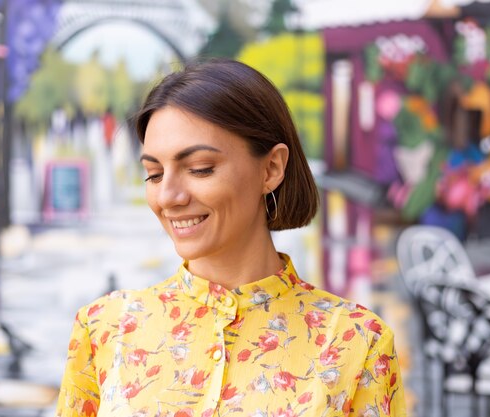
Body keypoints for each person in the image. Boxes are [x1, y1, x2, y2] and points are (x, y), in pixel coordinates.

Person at [56, 59, 407, 417]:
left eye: (200, 169)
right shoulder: (105, 328)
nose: (168, 197)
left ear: (271, 169)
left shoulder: (357, 343)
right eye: (154, 174)